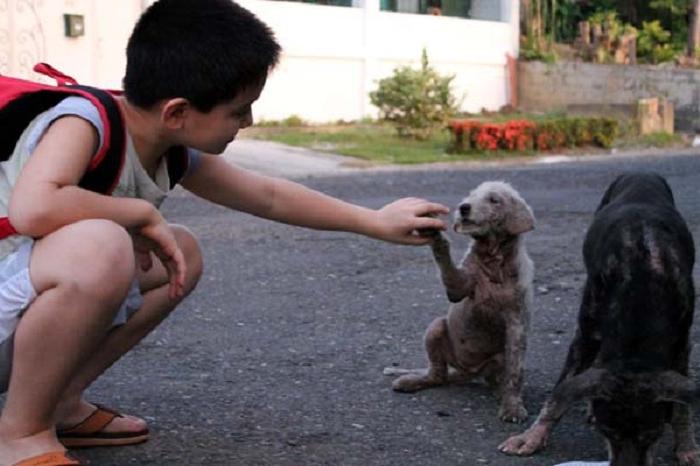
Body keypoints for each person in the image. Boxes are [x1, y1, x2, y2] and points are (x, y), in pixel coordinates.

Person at [0, 0, 449, 464]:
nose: (248, 122)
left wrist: (374, 220)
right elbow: (34, 208)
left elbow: (268, 195)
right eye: (239, 111)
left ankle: (58, 404)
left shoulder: (168, 144)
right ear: (177, 112)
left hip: (16, 313)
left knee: (183, 251)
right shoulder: (83, 122)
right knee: (106, 246)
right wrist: (137, 213)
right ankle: (21, 434)